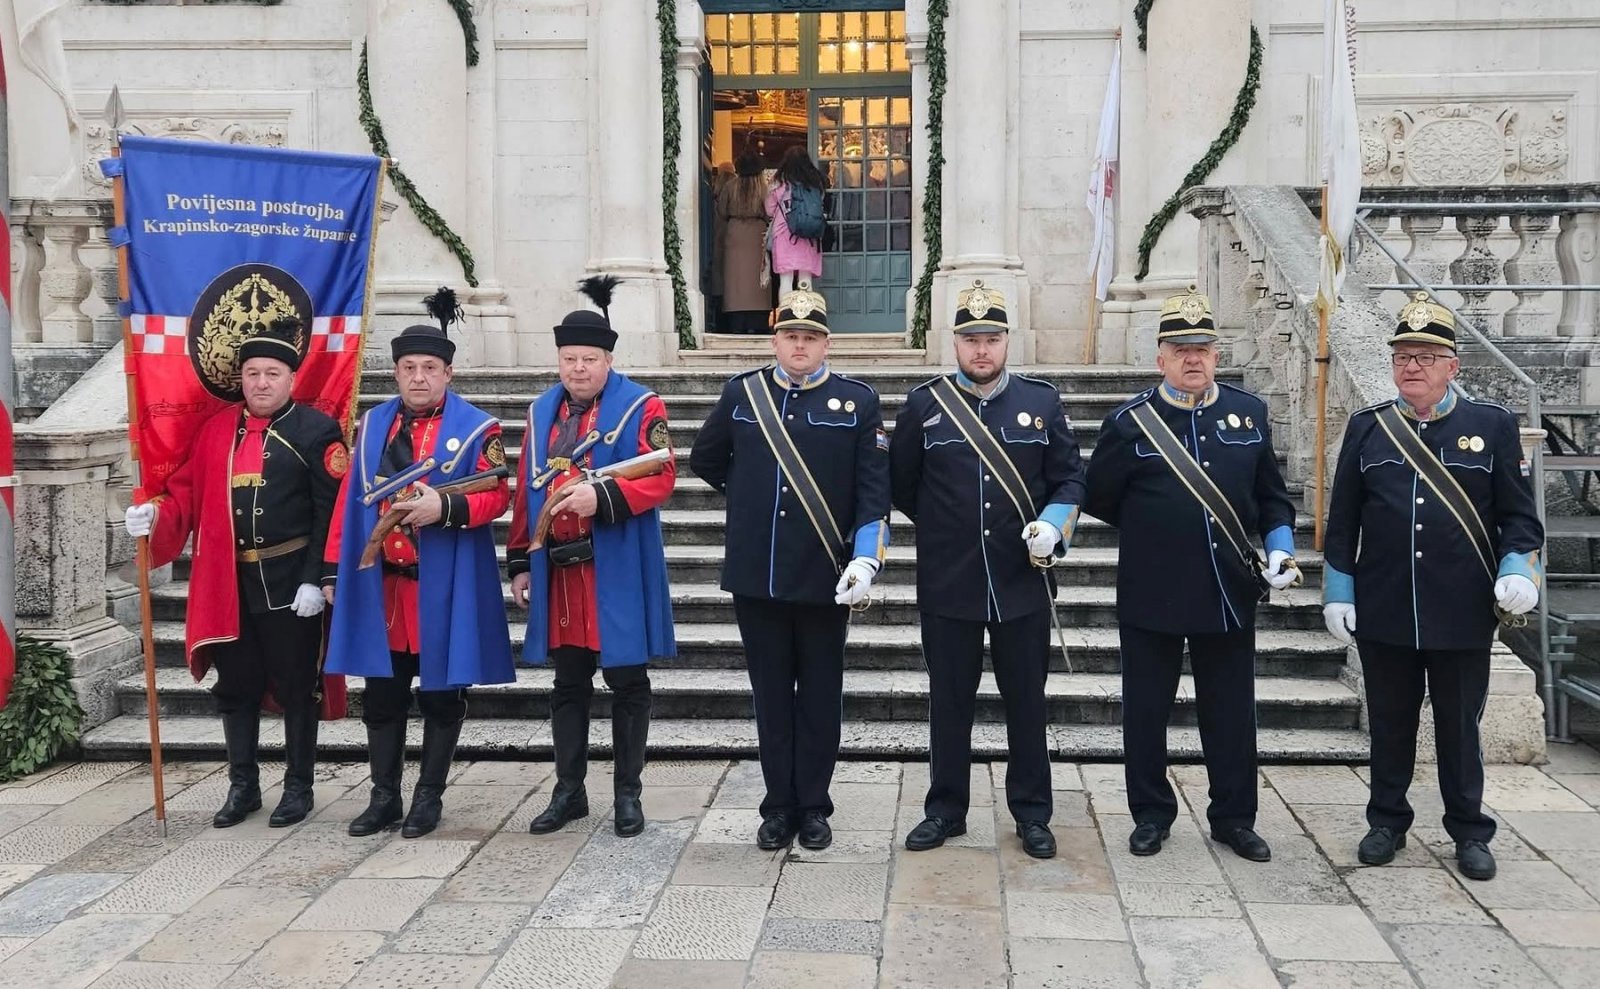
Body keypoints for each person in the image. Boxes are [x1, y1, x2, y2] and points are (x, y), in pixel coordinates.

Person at [1322, 292, 1543, 882]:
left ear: (1453, 366)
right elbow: (1342, 520)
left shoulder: (1489, 427)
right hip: (1386, 607)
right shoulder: (1370, 429)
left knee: (1458, 729)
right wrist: (1338, 589)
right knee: (1390, 723)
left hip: (1461, 611)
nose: (1411, 366)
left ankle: (1469, 829)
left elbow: (1518, 517)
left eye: (1425, 355)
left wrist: (1519, 568)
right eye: (1402, 356)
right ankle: (1387, 821)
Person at [1083, 286, 1298, 864]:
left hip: (1227, 591)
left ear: (1217, 355)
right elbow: (1100, 497)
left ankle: (1234, 817)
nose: (1193, 358)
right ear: (1160, 358)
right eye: (1180, 348)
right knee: (1146, 713)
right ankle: (1150, 815)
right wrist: (1160, 528)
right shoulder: (1130, 422)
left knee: (1230, 714)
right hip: (1151, 589)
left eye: (1202, 346)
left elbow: (1272, 499)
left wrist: (1279, 549)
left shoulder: (1247, 414)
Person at [888, 280, 1085, 860]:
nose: (981, 350)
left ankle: (1032, 813)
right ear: (955, 343)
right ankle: (946, 809)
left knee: (1026, 698)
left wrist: (1054, 525)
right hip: (949, 579)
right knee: (950, 699)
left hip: (1021, 580)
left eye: (992, 338)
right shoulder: (925, 405)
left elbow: (1070, 479)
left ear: (1007, 342)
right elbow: (903, 484)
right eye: (971, 339)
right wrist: (947, 529)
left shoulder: (1042, 402)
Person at [124, 319, 346, 829]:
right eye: (252, 373)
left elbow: (330, 514)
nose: (261, 383)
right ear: (240, 379)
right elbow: (185, 493)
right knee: (236, 686)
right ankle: (242, 786)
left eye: (272, 373)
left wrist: (318, 578)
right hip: (228, 583)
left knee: (296, 687)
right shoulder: (216, 430)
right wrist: (155, 515)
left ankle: (298, 788)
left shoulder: (316, 432)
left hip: (292, 583)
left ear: (291, 378)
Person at [689, 290, 890, 851]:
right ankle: (778, 806)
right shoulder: (742, 393)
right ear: (775, 340)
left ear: (826, 343)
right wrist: (749, 502)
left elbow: (874, 491)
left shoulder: (856, 401)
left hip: (826, 574)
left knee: (821, 696)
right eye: (790, 337)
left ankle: (815, 806)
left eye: (811, 337)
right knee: (772, 696)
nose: (800, 346)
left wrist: (866, 557)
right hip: (760, 575)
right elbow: (707, 459)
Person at [323, 289, 515, 839]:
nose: (419, 377)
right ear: (396, 373)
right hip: (382, 587)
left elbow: (496, 496)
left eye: (430, 368)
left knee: (439, 696)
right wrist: (334, 568)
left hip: (443, 585)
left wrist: (445, 506)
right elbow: (347, 503)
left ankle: (428, 798)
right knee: (381, 697)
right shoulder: (371, 427)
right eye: (409, 368)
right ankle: (384, 796)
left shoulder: (481, 428)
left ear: (448, 373)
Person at [513, 276, 677, 839]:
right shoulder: (540, 413)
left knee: (628, 681)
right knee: (568, 683)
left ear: (608, 360)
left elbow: (662, 474)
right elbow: (522, 492)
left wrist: (601, 496)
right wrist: (518, 561)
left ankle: (628, 795)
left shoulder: (641, 404)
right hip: (560, 571)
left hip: (617, 567)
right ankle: (569, 792)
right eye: (569, 359)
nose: (578, 368)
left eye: (589, 359)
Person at [716, 153, 771, 335]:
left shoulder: (731, 186)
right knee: (757, 279)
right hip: (757, 233)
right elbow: (770, 212)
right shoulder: (763, 189)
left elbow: (722, 210)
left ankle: (736, 320)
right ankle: (759, 320)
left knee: (735, 279)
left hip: (735, 232)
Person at [765, 146, 827, 299]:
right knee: (805, 280)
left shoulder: (779, 182)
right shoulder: (816, 182)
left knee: (786, 280)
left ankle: (787, 317)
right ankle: (805, 318)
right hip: (809, 235)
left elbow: (768, 209)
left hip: (784, 234)